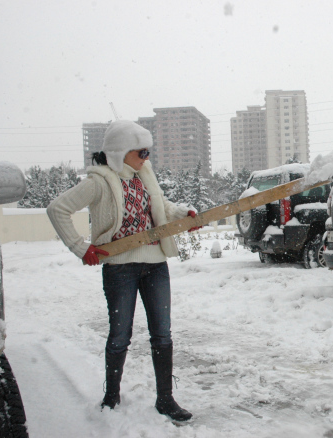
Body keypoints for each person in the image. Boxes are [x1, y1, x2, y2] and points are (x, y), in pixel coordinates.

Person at [47, 120, 197, 420]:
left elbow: (159, 206)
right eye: (141, 152)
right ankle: (112, 395)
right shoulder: (98, 182)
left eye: (148, 152)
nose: (146, 158)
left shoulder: (145, 174)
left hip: (155, 264)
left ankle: (165, 399)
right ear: (120, 152)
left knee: (163, 334)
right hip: (120, 269)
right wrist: (80, 247)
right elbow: (57, 209)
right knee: (119, 334)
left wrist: (184, 214)